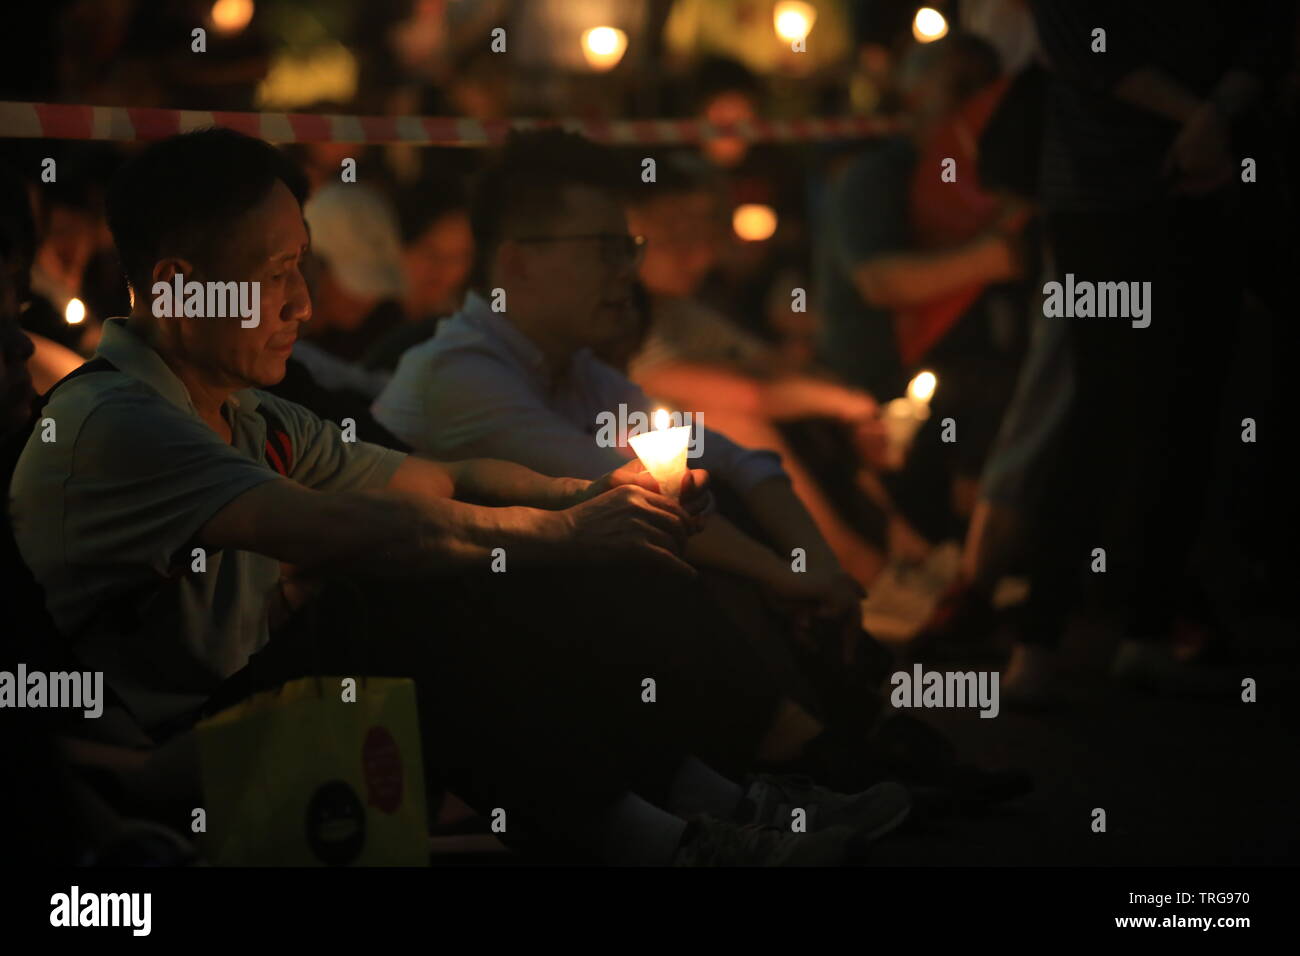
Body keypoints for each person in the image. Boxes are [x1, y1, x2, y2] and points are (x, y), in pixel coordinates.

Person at [8, 128, 912, 865]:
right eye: (276, 273)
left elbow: (442, 477)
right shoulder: (118, 418)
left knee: (522, 542)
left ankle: (704, 809)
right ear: (174, 286)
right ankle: (670, 839)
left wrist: (599, 497)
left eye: (302, 270)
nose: (301, 305)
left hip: (260, 728)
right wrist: (563, 533)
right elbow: (343, 531)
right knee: (413, 575)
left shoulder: (244, 414)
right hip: (154, 769)